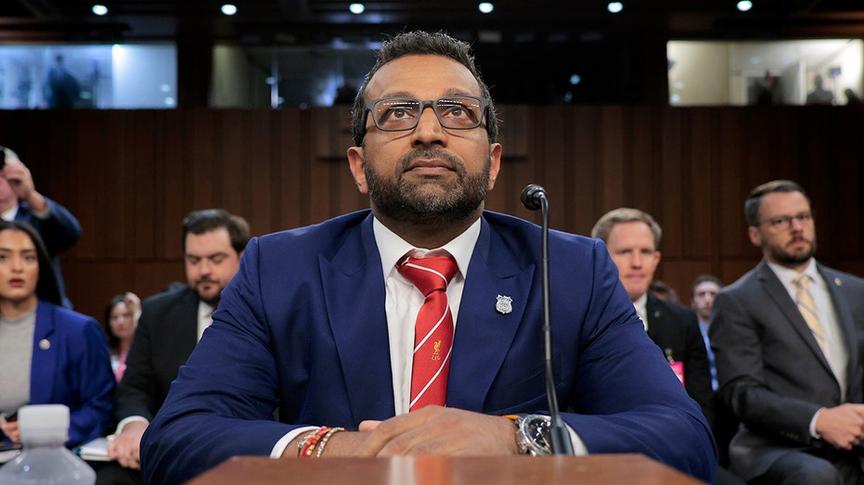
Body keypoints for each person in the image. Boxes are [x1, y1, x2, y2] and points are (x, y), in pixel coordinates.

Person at [141, 31, 716, 484]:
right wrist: (334, 448)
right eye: (397, 113)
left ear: (493, 163)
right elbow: (177, 440)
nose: (428, 131)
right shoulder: (279, 269)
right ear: (359, 167)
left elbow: (682, 439)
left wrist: (517, 438)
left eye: (457, 112)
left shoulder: (571, 271)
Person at [710, 180, 864, 484]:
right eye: (781, 221)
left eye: (803, 217)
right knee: (816, 476)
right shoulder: (737, 300)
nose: (797, 228)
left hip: (855, 438)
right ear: (755, 234)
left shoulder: (855, 290)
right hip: (780, 446)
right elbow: (741, 393)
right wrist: (818, 420)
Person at [101, 209, 249, 481]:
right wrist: (134, 424)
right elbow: (135, 387)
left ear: (241, 257)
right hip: (172, 449)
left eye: (216, 259)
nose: (204, 271)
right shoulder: (157, 313)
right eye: (194, 260)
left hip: (244, 447)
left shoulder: (266, 312)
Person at [591, 208, 714, 425]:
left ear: (656, 259)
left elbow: (701, 404)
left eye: (646, 252)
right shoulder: (578, 321)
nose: (637, 263)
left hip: (673, 436)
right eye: (625, 252)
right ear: (599, 257)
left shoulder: (682, 321)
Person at [0, 220, 113, 448]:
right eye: (3, 257)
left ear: (41, 266)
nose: (17, 267)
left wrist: (47, 430)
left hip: (55, 456)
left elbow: (101, 407)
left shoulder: (78, 330)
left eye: (28, 257)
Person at [0, 146, 82, 308]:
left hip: (44, 311)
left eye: (3, 175)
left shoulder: (37, 217)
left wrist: (30, 195)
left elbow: (71, 233)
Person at [691, 275, 721, 391]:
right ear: (693, 301)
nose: (707, 299)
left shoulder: (733, 329)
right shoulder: (686, 332)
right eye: (701, 294)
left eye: (713, 294)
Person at [103, 292, 141, 382]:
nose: (120, 322)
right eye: (114, 317)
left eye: (126, 315)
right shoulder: (104, 351)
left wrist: (138, 311)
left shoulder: (145, 349)